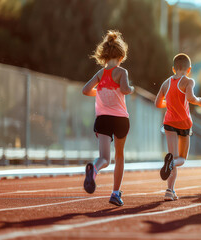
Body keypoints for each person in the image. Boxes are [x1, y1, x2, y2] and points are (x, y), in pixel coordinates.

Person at [82, 30, 134, 206]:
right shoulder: (122, 72)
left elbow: (85, 90)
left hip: (103, 118)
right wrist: (132, 89)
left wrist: (101, 91)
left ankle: (94, 168)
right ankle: (115, 193)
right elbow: (126, 89)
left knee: (104, 158)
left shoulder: (100, 74)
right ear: (120, 56)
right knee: (119, 156)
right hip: (120, 119)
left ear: (104, 55)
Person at [154, 53, 201, 201]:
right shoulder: (188, 81)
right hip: (184, 123)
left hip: (169, 123)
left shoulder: (165, 83)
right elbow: (190, 98)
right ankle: (171, 173)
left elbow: (157, 104)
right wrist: (199, 101)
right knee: (181, 159)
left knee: (172, 155)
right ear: (189, 69)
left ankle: (170, 190)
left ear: (173, 68)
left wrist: (168, 104)